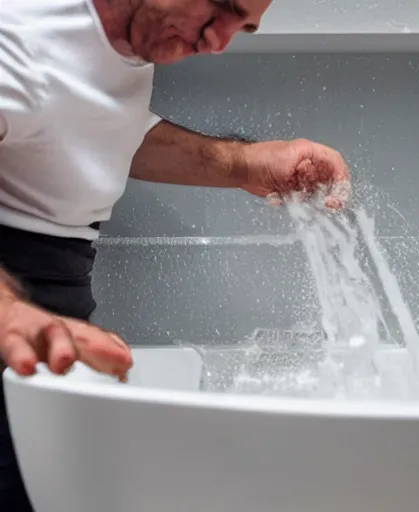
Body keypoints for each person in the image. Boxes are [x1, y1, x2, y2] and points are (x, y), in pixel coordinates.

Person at [0, 0, 350, 509]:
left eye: (243, 27)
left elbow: (86, 126)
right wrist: (10, 312)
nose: (219, 41)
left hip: (52, 309)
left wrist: (243, 162)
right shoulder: (16, 37)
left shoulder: (116, 46)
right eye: (222, 8)